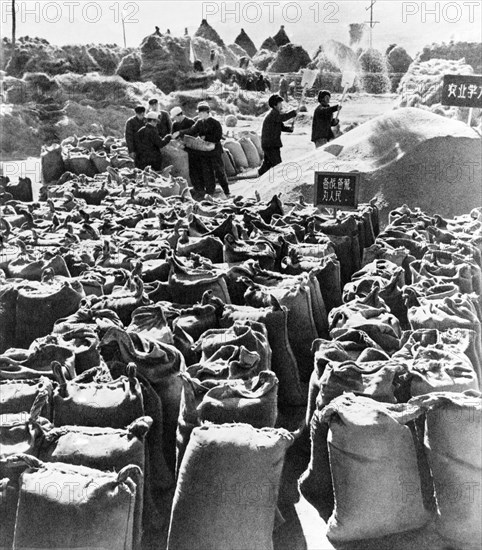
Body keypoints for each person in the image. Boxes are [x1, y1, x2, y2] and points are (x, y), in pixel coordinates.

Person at [173, 102, 230, 198]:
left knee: (219, 171)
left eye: (200, 113)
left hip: (215, 151)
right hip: (205, 152)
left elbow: (218, 136)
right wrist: (180, 132)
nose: (199, 115)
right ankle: (210, 193)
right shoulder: (199, 122)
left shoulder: (215, 122)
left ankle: (227, 191)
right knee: (207, 173)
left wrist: (206, 137)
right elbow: (191, 130)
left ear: (206, 112)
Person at [258, 94, 297, 177]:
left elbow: (281, 126)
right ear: (275, 105)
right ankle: (278, 180)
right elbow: (283, 118)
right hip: (270, 144)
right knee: (277, 164)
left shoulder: (275, 114)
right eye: (279, 103)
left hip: (270, 144)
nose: (281, 105)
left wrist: (289, 129)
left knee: (267, 164)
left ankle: (259, 175)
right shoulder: (273, 114)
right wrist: (293, 113)